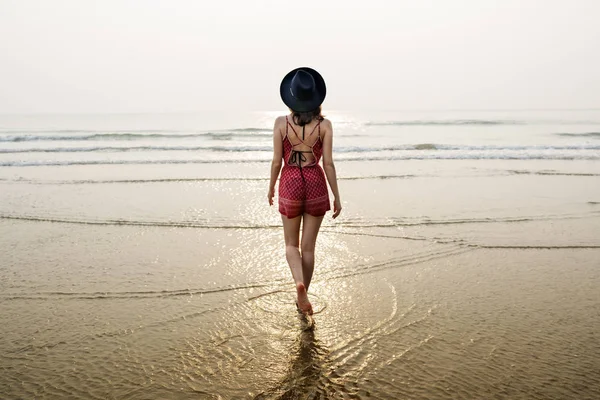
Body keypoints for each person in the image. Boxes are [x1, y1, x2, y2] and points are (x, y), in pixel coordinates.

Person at [267, 67, 342, 315]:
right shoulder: (324, 126)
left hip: (290, 181)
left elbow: (277, 161)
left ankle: (298, 285)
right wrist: (336, 196)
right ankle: (304, 296)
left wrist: (270, 188)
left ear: (291, 98)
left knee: (292, 245)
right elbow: (328, 163)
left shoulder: (281, 123)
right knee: (308, 247)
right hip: (315, 181)